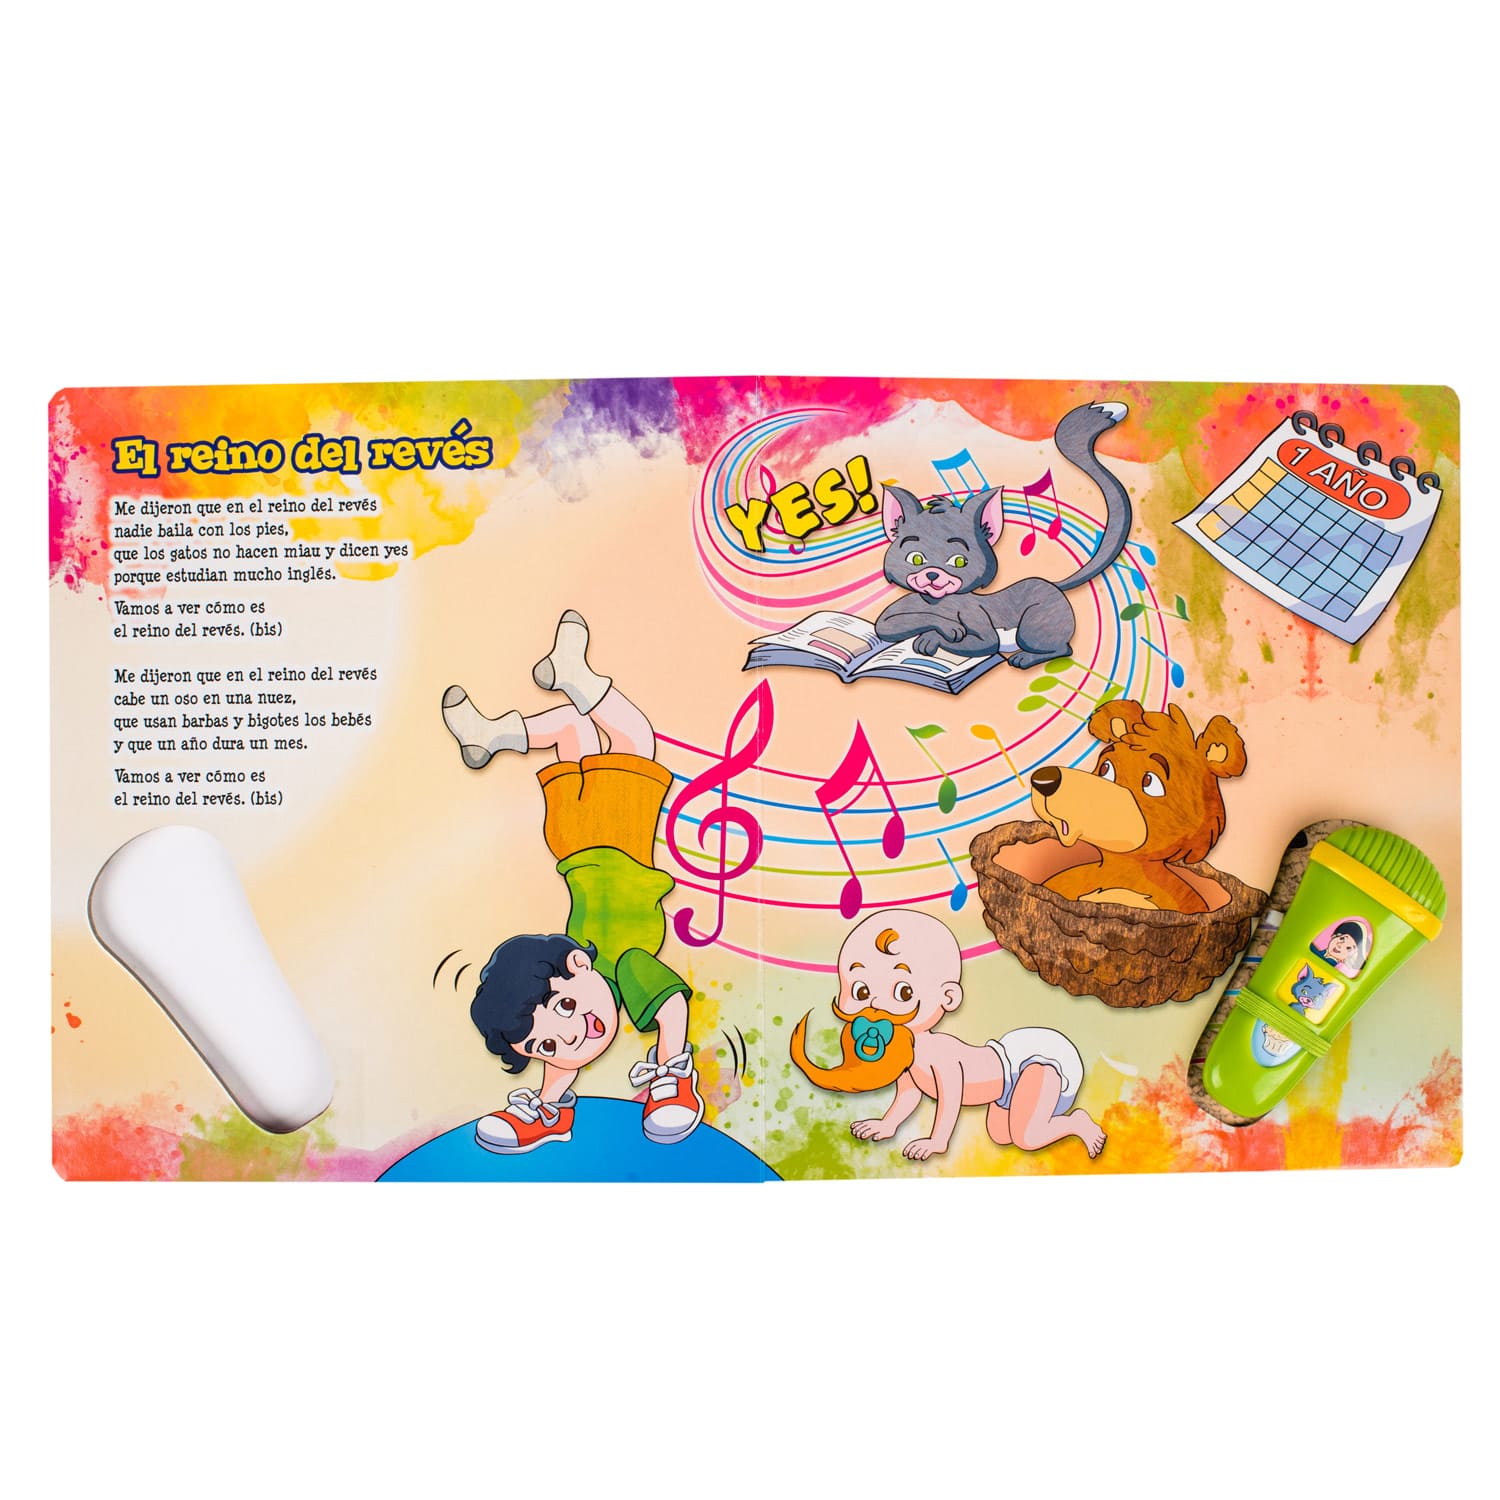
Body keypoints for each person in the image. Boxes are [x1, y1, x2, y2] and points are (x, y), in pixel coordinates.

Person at [442, 611, 703, 1154]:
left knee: (633, 736)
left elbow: (672, 1007)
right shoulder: (610, 970)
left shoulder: (623, 965)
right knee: (574, 728)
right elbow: (657, 1011)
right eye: (543, 1046)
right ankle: (492, 731)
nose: (571, 1037)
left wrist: (668, 1060)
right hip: (573, 842)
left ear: (578, 964)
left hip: (614, 833)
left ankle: (560, 685)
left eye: (562, 1011)